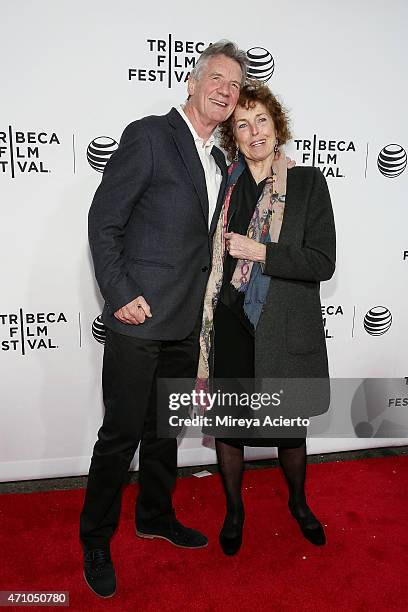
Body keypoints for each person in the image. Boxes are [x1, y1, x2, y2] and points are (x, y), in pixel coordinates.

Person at [80, 40, 248, 597]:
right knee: (120, 435)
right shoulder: (150, 135)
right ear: (194, 81)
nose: (226, 91)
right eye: (218, 79)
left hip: (183, 322)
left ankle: (154, 516)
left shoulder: (221, 160)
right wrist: (120, 290)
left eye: (235, 85)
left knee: (163, 434)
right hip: (138, 318)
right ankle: (95, 538)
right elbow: (104, 220)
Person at [198, 80, 336, 555]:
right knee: (230, 430)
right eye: (242, 123)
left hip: (283, 329)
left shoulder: (307, 183)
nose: (254, 130)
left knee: (288, 432)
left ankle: (299, 503)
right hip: (233, 328)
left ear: (277, 126)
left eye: (262, 120)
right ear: (232, 135)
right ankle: (234, 510)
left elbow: (322, 261)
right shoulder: (226, 185)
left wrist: (262, 251)